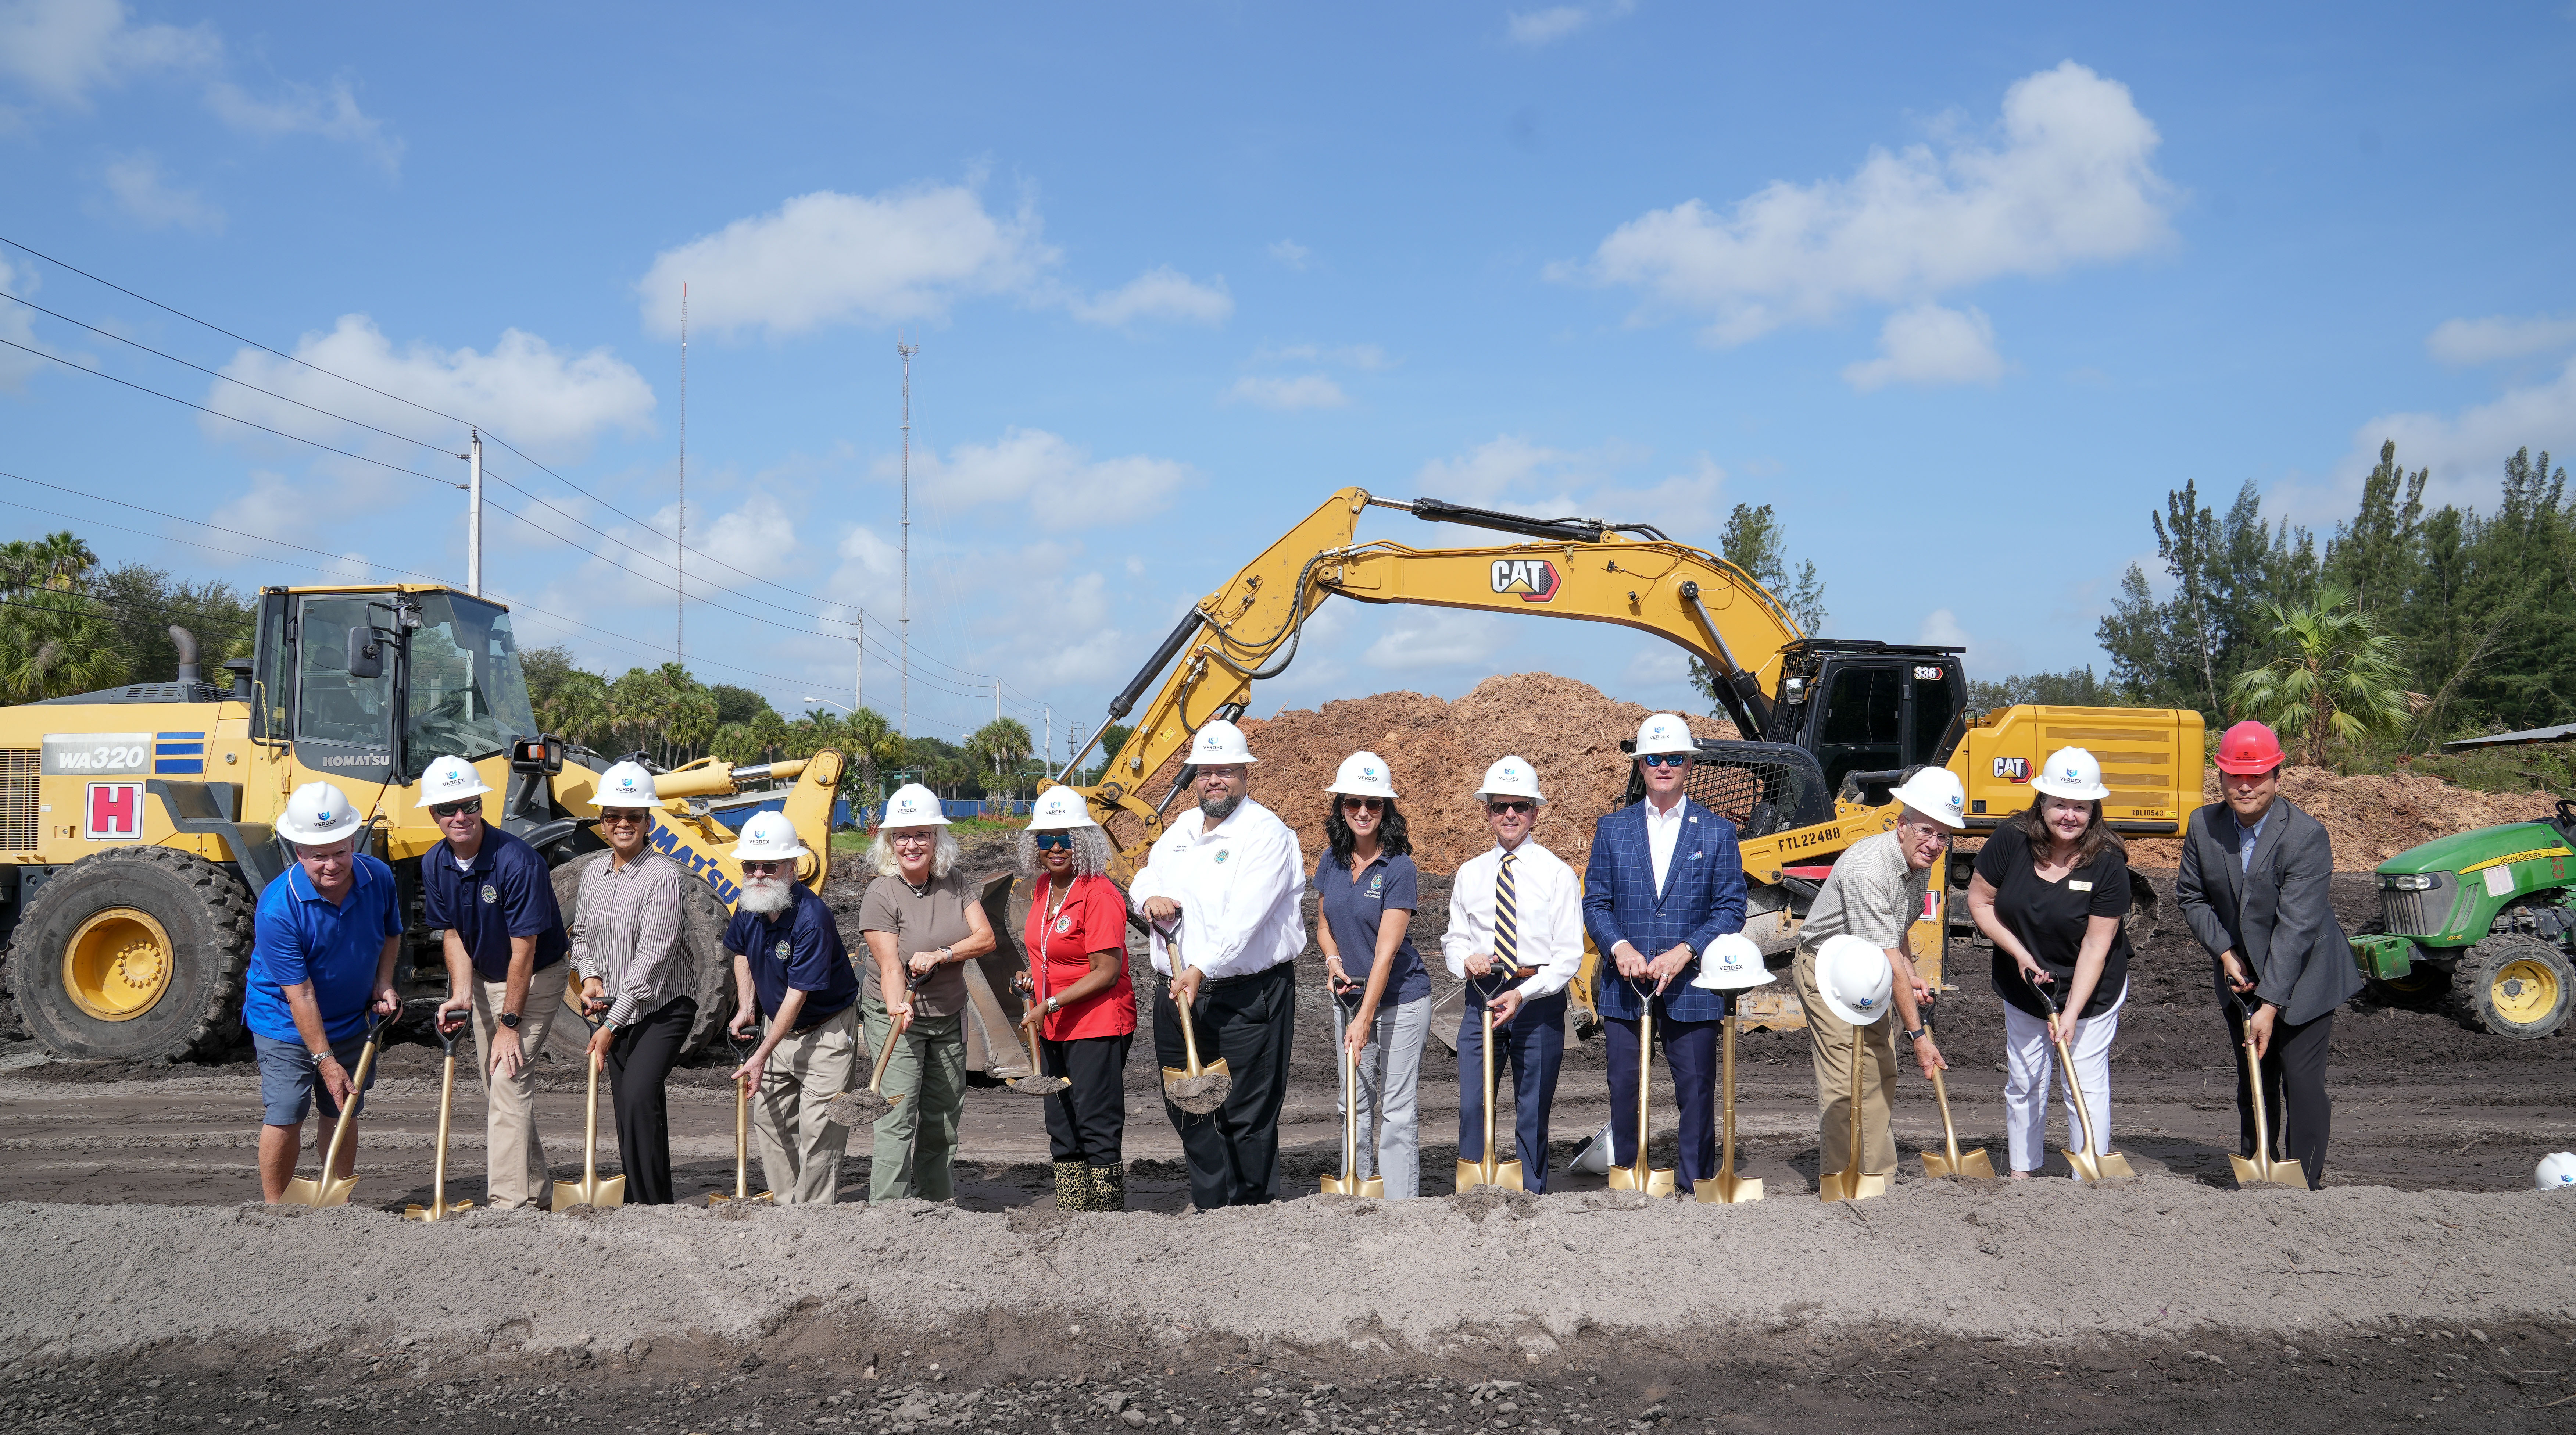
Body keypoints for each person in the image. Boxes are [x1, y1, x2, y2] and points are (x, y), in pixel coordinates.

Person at [1129, 718, 1307, 1210]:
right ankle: (1212, 1205)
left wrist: (1200, 967)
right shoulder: (1183, 829)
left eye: (1225, 770)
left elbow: (1243, 920)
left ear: (1245, 774)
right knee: (1185, 1102)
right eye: (1205, 770)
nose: (1214, 780)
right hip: (1178, 992)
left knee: (1245, 1110)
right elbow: (1144, 875)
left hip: (1246, 995)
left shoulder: (1266, 834)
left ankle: (1249, 1211)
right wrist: (1151, 897)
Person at [2176, 720, 2360, 1191]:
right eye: (2234, 775)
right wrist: (2224, 951)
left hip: (2307, 976)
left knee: (2299, 1080)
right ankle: (2259, 1164)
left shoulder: (2305, 837)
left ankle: (2305, 1180)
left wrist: (2272, 1005)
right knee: (2253, 1075)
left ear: (2277, 777)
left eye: (2256, 776)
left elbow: (2297, 928)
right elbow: (2192, 897)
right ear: (2219, 777)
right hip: (2242, 975)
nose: (2244, 786)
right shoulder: (2204, 824)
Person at [1581, 713, 1747, 1195]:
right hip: (1625, 984)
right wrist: (1619, 946)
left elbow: (1731, 906)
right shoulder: (1613, 829)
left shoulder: (1716, 832)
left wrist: (1686, 950)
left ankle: (1695, 1179)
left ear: (1688, 765)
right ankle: (1631, 1177)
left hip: (1691, 984)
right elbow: (1596, 902)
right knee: (1625, 1089)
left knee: (1695, 1090)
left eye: (1674, 757)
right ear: (1642, 764)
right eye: (1655, 758)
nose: (1665, 766)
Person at [1788, 768, 1969, 1182]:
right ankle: (1845, 1178)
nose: (1936, 845)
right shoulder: (1869, 869)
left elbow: (1896, 929)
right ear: (1902, 826)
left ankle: (1879, 1176)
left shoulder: (1919, 861)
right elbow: (1888, 956)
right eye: (1927, 831)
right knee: (1844, 1078)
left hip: (1868, 965)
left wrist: (1914, 971)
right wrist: (1920, 1038)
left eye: (1945, 836)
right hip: (1828, 967)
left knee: (1880, 1068)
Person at [1966, 746, 2136, 1179]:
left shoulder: (2109, 862)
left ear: (2094, 809)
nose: (2069, 815)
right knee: (2026, 1078)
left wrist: (2072, 1013)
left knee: (2083, 1079)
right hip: (2025, 980)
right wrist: (2021, 955)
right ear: (2041, 802)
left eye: (2080, 806)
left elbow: (2098, 947)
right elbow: (1980, 903)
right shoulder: (2011, 840)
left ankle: (2090, 1171)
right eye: (2059, 803)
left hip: (2092, 988)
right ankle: (2024, 1169)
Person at [422, 753, 571, 1210]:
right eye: (448, 809)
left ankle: (509, 1205)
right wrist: (462, 994)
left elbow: (524, 952)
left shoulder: (517, 861)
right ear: (433, 814)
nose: (460, 816)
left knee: (509, 1077)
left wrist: (510, 1022)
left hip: (537, 975)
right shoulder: (435, 863)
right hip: (486, 977)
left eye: (469, 804)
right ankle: (537, 1189)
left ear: (481, 805)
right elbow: (453, 934)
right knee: (498, 1087)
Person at [244, 782, 404, 1203]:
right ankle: (276, 1209)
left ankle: (336, 1202)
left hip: (352, 1016)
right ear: (298, 851)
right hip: (285, 1021)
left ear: (353, 840)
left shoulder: (379, 877)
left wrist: (384, 983)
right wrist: (325, 1060)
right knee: (286, 1111)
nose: (331, 864)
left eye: (339, 852)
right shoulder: (278, 907)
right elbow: (301, 995)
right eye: (319, 856)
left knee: (342, 1106)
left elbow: (390, 935)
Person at [1443, 756, 1584, 1191]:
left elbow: (1568, 956)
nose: (1510, 814)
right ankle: (1473, 1192)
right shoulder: (1471, 873)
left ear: (1535, 812)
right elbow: (1454, 938)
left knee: (1532, 1108)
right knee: (1473, 1106)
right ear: (1487, 811)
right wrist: (1464, 961)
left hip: (1536, 1001)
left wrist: (1525, 994)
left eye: (1519, 806)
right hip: (1482, 996)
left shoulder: (1557, 874)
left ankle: (1531, 1194)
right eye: (1500, 805)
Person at [858, 782, 998, 1203]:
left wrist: (943, 954)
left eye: (922, 834)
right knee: (897, 1115)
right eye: (902, 836)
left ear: (937, 838)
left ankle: (937, 1208)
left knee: (942, 1119)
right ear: (890, 841)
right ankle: (888, 1213)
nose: (912, 844)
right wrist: (898, 1006)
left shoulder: (956, 882)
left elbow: (986, 938)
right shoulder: (881, 893)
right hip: (897, 1015)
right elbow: (888, 966)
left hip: (949, 1014)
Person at [567, 761, 695, 1206]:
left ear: (649, 822)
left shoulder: (663, 876)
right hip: (616, 1007)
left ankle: (654, 1205)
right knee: (629, 1109)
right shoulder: (592, 875)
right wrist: (590, 976)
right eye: (613, 816)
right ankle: (645, 1202)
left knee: (640, 1095)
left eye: (634, 816)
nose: (623, 824)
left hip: (663, 1006)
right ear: (602, 822)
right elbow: (580, 936)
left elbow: (654, 960)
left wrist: (610, 1027)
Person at [726, 810, 861, 1204]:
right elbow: (740, 953)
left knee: (820, 1132)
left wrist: (760, 1055)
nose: (759, 874)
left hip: (825, 1030)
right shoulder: (750, 904)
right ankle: (787, 1211)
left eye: (771, 866)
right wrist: (747, 1007)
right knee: (770, 1121)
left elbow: (798, 995)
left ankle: (814, 1216)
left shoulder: (812, 919)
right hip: (777, 1024)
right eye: (751, 865)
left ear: (793, 869)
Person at [1314, 750, 1432, 1198]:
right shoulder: (1331, 860)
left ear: (1387, 810)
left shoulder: (1400, 868)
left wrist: (1363, 1020)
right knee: (1354, 1103)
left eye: (1374, 804)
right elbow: (1325, 927)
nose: (1363, 812)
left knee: (1397, 1109)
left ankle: (1402, 1206)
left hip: (1400, 1000)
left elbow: (1385, 955)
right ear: (1341, 806)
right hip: (1347, 994)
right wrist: (1331, 960)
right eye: (1353, 803)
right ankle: (1357, 1194)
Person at [1014, 786, 1136, 1211]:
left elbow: (1104, 973)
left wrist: (1049, 1003)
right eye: (1045, 840)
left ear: (1083, 840)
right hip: (1052, 1022)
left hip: (1096, 1023)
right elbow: (1051, 950)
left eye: (1065, 838)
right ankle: (1074, 1212)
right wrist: (1033, 979)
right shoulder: (1044, 887)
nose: (1056, 848)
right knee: (1061, 1124)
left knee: (1095, 1122)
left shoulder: (1099, 893)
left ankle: (1103, 1220)